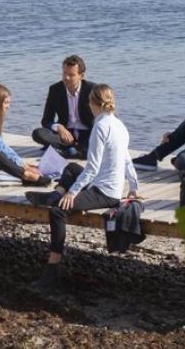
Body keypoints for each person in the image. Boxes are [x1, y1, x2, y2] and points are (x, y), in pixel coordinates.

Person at [25, 83, 139, 288]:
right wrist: (133, 186)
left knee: (58, 212)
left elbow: (93, 168)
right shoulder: (119, 125)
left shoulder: (100, 126)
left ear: (92, 103)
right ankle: (53, 196)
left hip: (104, 192)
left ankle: (53, 268)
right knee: (71, 168)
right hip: (107, 184)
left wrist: (72, 192)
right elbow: (127, 159)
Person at [30, 55, 95, 159]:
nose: (66, 78)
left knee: (97, 136)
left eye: (71, 75)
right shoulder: (55, 89)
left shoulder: (92, 90)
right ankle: (74, 150)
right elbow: (46, 120)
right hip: (65, 135)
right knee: (38, 133)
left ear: (81, 75)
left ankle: (72, 150)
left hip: (87, 134)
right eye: (64, 73)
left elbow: (102, 118)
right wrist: (59, 127)